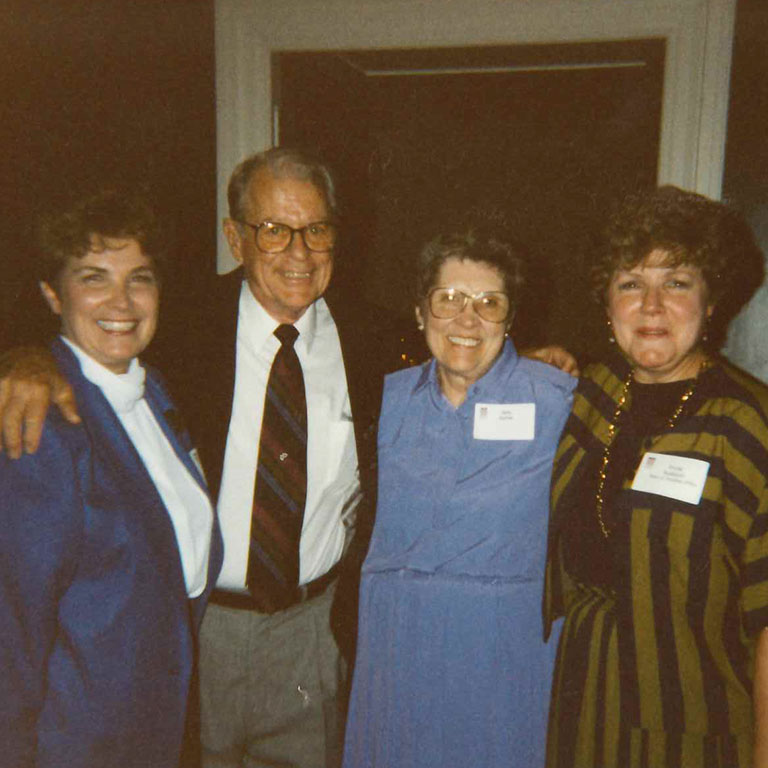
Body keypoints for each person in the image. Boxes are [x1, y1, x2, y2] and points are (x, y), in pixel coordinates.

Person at [0, 148, 577, 768]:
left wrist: (537, 362)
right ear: (235, 237)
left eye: (316, 230)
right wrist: (25, 358)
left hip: (313, 631)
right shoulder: (179, 326)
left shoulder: (377, 339)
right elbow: (99, 334)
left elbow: (464, 347)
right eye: (273, 230)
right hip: (199, 632)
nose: (299, 253)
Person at [544, 185, 768, 768]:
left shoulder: (746, 424)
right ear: (607, 301)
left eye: (675, 282)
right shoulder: (589, 394)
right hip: (582, 694)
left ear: (711, 299)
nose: (650, 306)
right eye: (630, 284)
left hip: (693, 720)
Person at [0, 189, 223, 767]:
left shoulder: (153, 393)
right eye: (94, 278)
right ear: (53, 295)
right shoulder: (41, 424)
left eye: (140, 278)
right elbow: (13, 633)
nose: (122, 301)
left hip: (157, 731)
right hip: (78, 745)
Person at [342, 221, 576, 768]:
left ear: (511, 317)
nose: (467, 319)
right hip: (400, 641)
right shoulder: (384, 398)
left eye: (489, 302)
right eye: (449, 299)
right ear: (421, 312)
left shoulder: (559, 400)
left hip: (503, 646)